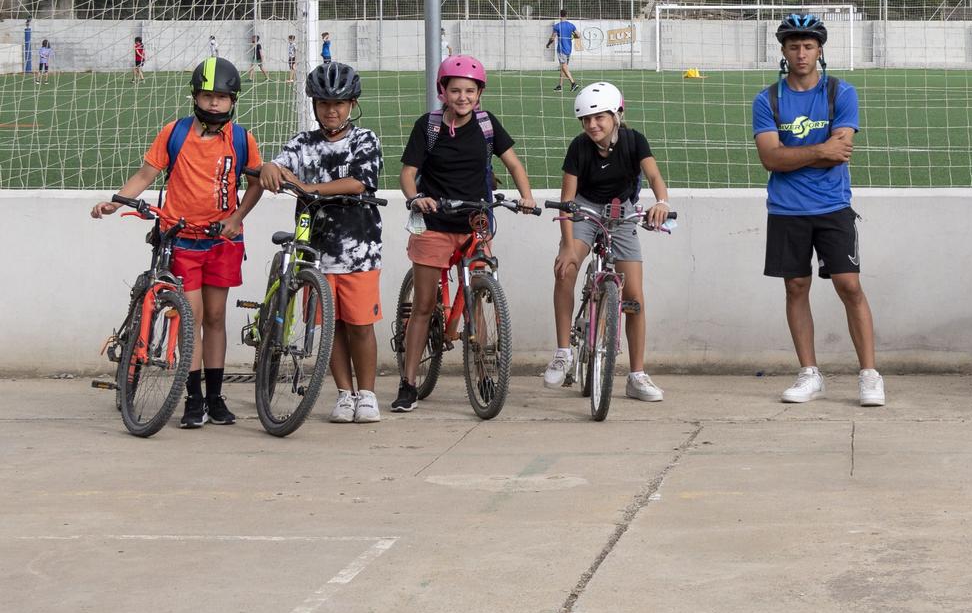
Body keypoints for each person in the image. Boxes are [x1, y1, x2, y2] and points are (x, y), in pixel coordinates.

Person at [91, 58, 263, 429]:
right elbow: (146, 174)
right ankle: (193, 398)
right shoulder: (175, 132)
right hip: (182, 240)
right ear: (195, 97)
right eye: (207, 95)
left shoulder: (241, 139)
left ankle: (215, 397)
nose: (214, 103)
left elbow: (255, 184)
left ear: (233, 100)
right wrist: (116, 201)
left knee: (215, 318)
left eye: (221, 97)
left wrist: (236, 219)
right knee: (192, 319)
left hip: (222, 241)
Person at [753, 12, 885, 407]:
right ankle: (809, 373)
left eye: (808, 46)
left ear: (819, 50)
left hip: (833, 206)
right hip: (786, 209)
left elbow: (840, 151)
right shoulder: (767, 99)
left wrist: (794, 155)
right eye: (794, 46)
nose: (801, 53)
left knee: (850, 286)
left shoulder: (840, 92)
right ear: (783, 51)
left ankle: (869, 374)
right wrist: (818, 150)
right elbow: (770, 159)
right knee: (795, 287)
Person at [395, 54, 539, 413]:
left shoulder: (487, 125)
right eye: (456, 90)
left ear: (479, 94)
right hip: (435, 223)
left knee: (479, 296)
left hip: (476, 222)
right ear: (443, 92)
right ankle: (408, 383)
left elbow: (513, 163)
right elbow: (408, 173)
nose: (463, 97)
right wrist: (416, 198)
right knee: (423, 306)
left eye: (470, 91)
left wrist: (526, 196)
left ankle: (483, 373)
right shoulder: (428, 127)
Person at [258, 62, 385, 424]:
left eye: (339, 103)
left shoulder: (364, 140)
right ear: (314, 105)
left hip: (357, 251)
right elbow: (280, 165)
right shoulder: (303, 143)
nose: (332, 110)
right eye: (324, 103)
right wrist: (270, 167)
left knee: (360, 325)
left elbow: (359, 182)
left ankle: (367, 394)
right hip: (314, 252)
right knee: (331, 326)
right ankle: (345, 393)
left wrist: (308, 187)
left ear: (352, 104)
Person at [544, 81, 673, 402]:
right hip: (584, 208)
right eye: (586, 119)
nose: (592, 125)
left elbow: (654, 176)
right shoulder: (579, 147)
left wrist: (662, 202)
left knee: (635, 297)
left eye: (599, 117)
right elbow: (567, 200)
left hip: (621, 210)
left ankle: (637, 375)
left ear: (617, 115)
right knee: (565, 270)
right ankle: (563, 352)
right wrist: (567, 246)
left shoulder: (634, 140)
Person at [548, 12, 579, 92]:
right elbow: (578, 35)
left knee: (564, 67)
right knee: (563, 68)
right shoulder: (571, 25)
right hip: (569, 49)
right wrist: (573, 36)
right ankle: (560, 86)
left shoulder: (557, 26)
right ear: (566, 15)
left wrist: (548, 44)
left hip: (561, 49)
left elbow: (552, 38)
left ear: (560, 16)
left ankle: (573, 83)